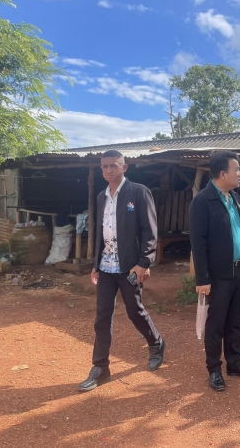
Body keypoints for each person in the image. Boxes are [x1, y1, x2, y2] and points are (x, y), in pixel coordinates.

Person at [78, 150, 165, 392]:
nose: (109, 170)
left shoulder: (138, 192)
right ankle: (100, 367)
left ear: (124, 167)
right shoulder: (101, 196)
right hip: (106, 266)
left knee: (134, 311)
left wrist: (144, 262)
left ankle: (156, 343)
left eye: (113, 166)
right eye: (105, 166)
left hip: (130, 266)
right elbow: (100, 232)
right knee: (102, 316)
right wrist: (95, 264)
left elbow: (150, 231)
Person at [189, 151, 240, 392]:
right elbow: (198, 243)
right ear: (222, 173)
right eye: (236, 169)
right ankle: (214, 369)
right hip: (219, 275)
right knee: (216, 324)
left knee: (234, 321)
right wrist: (202, 278)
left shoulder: (236, 198)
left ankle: (234, 363)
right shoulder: (202, 201)